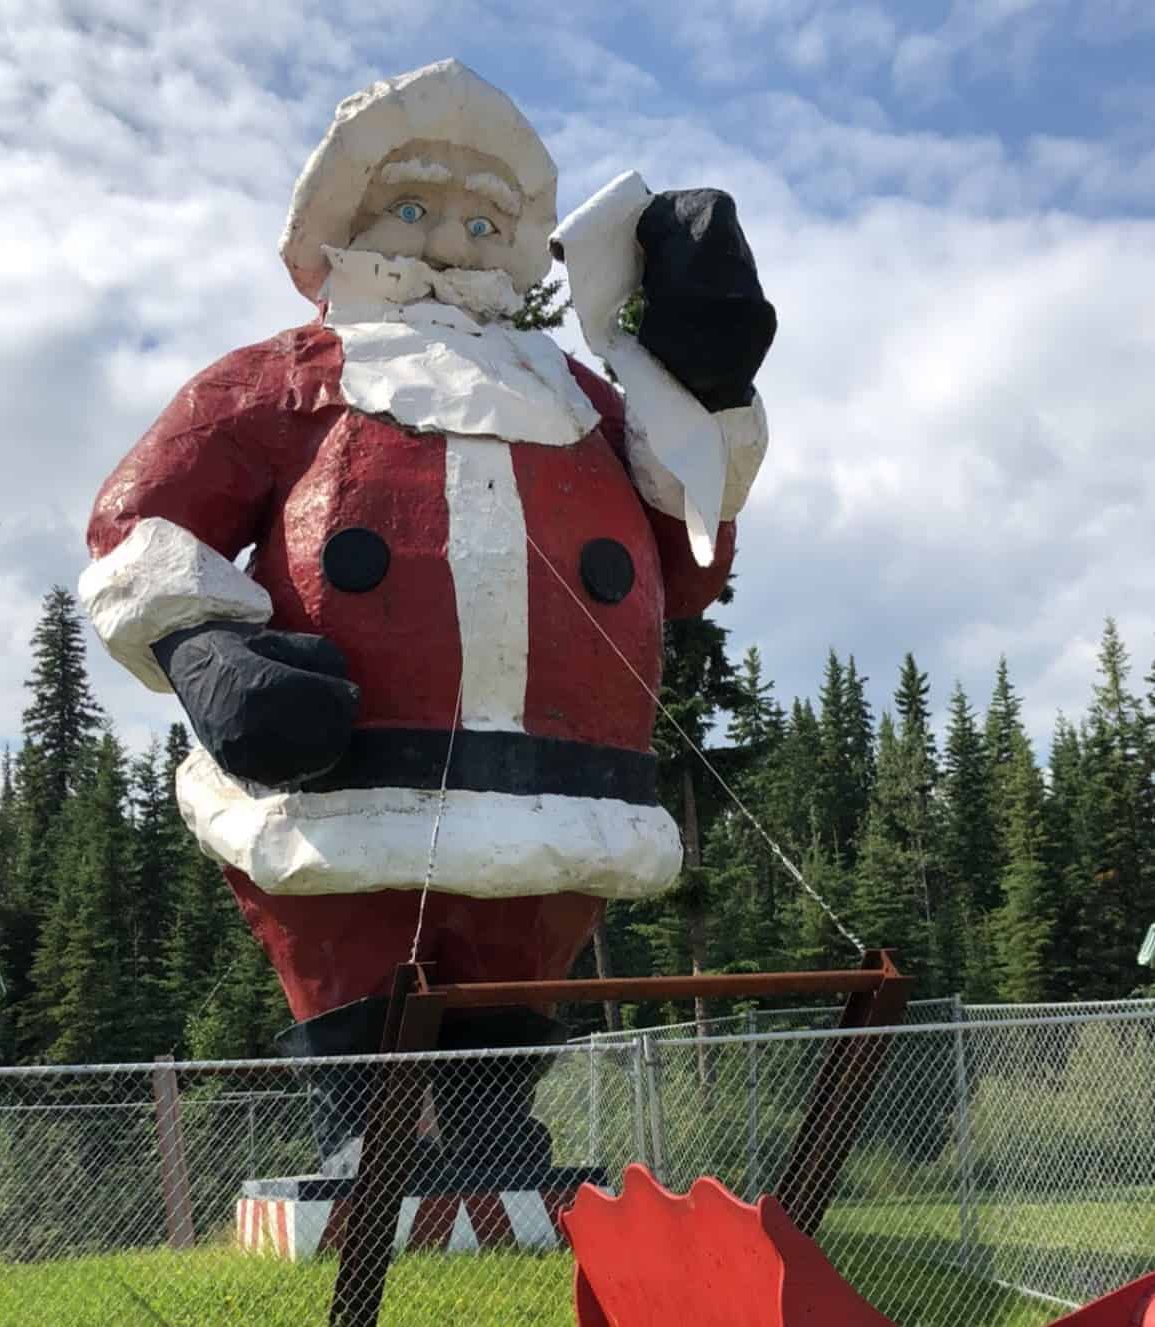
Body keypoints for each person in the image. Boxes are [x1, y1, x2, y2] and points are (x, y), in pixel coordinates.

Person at [79, 59, 776, 1174]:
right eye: (413, 208)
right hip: (347, 769)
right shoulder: (287, 379)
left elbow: (688, 558)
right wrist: (204, 648)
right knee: (355, 946)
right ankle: (366, 1133)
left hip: (562, 779)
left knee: (514, 953)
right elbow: (143, 521)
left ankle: (497, 1137)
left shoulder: (578, 396)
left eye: (482, 218)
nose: (451, 238)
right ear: (346, 223)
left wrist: (703, 389)